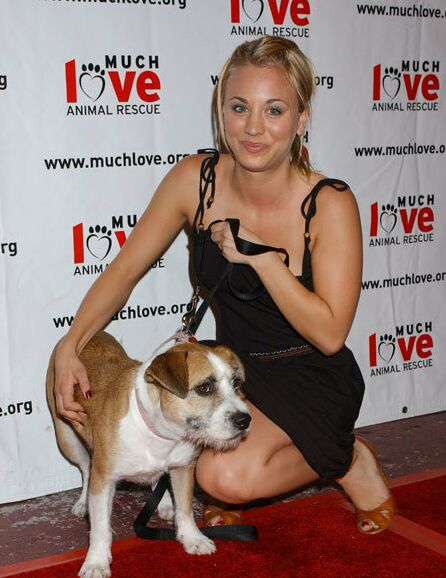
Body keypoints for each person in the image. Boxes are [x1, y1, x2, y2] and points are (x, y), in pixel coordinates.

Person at [54, 36, 395, 535]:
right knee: (200, 455)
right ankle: (286, 453)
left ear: (301, 119)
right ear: (221, 112)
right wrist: (71, 344)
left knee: (224, 478)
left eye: (274, 110)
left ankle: (347, 457)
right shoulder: (196, 180)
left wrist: (261, 258)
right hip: (234, 370)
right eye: (239, 107)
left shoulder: (329, 203)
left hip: (311, 373)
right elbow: (123, 271)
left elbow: (329, 335)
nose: (254, 127)